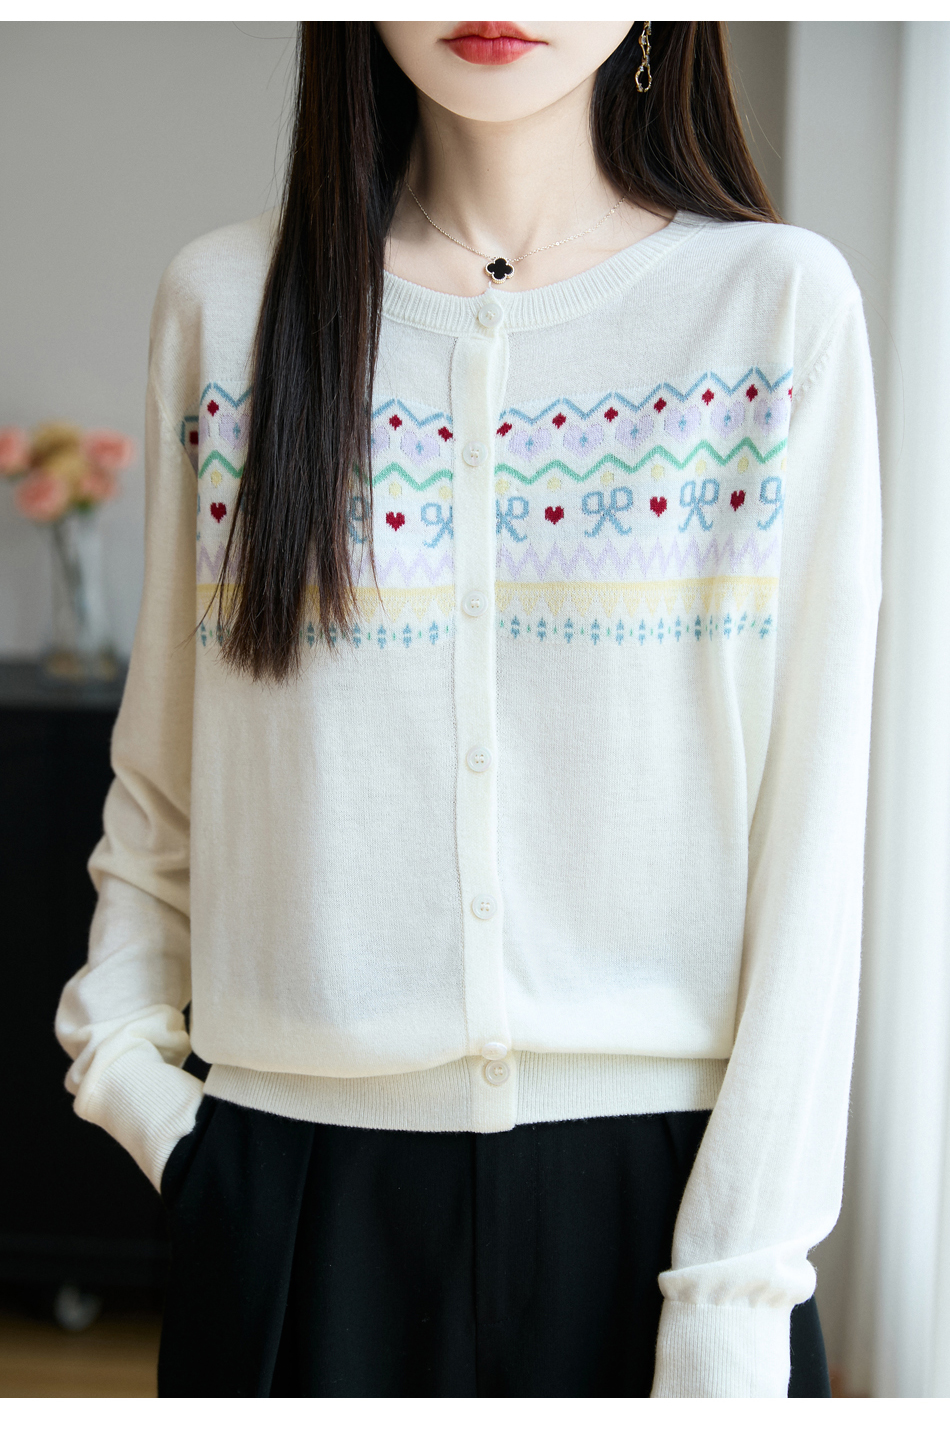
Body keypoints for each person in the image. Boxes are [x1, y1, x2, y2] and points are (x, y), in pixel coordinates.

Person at [55, 21, 882, 1398]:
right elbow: (164, 789)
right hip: (291, 1204)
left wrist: (740, 1284)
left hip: (665, 1206)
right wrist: (146, 1090)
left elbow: (813, 841)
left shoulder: (772, 307)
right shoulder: (227, 303)